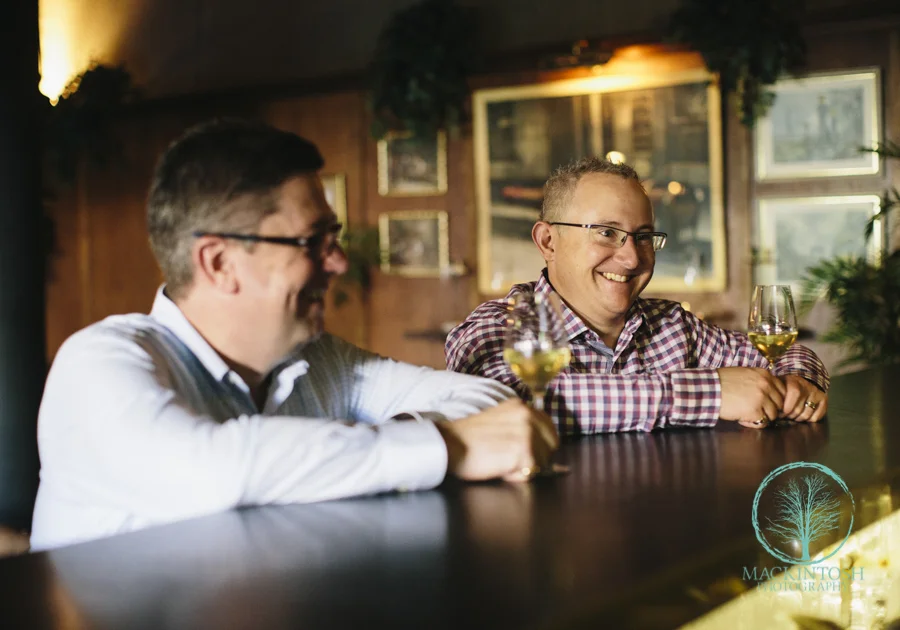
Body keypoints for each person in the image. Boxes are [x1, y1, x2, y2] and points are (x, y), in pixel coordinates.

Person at [31, 119, 558, 550]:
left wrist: (411, 435)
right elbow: (213, 469)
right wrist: (441, 445)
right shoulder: (99, 363)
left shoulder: (315, 359)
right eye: (313, 241)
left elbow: (478, 397)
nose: (339, 260)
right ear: (219, 263)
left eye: (335, 236)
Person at [446, 158, 829, 435]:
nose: (631, 257)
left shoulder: (672, 324)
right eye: (606, 233)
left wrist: (797, 381)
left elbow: (785, 355)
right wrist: (710, 393)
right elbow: (508, 403)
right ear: (548, 241)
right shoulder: (498, 325)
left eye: (643, 236)